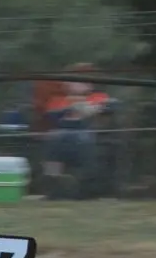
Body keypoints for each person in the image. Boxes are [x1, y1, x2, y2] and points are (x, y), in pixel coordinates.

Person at [32, 63, 111, 200]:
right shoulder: (57, 99)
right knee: (54, 140)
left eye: (79, 80)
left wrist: (77, 109)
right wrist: (77, 108)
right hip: (60, 135)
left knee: (84, 140)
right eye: (70, 80)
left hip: (87, 135)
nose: (70, 83)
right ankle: (54, 189)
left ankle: (87, 190)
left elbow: (91, 111)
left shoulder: (98, 96)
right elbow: (53, 114)